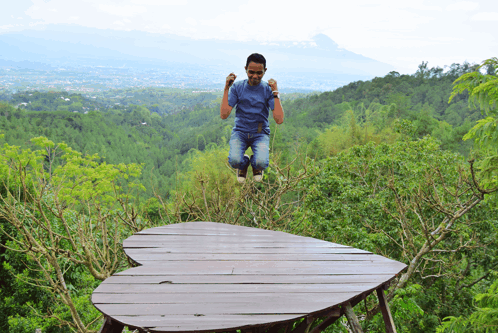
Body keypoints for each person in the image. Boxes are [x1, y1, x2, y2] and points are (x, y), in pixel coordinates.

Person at [220, 53, 284, 183]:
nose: (255, 76)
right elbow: (224, 114)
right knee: (234, 161)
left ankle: (256, 165)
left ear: (265, 71)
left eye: (259, 73)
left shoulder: (267, 89)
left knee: (262, 163)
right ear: (245, 69)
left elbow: (279, 119)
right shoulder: (238, 87)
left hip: (260, 133)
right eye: (251, 72)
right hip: (240, 131)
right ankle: (243, 164)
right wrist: (227, 88)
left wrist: (275, 93)